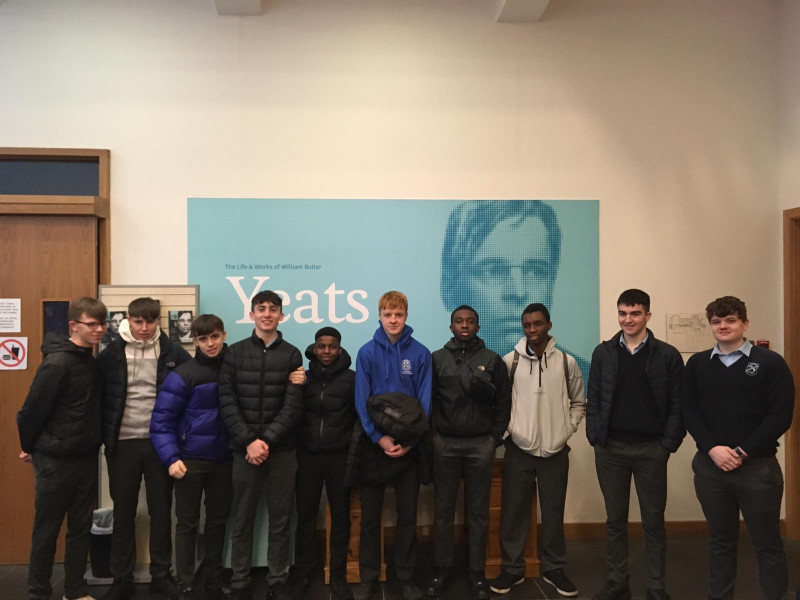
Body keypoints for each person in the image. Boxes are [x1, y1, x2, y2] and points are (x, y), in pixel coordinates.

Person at [682, 296, 794, 600]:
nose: (723, 326)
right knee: (720, 543)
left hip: (757, 469)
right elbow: (689, 410)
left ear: (745, 323)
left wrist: (742, 451)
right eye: (716, 321)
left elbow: (780, 416)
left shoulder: (770, 363)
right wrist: (712, 449)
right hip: (711, 468)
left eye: (730, 320)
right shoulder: (697, 364)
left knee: (767, 543)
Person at [586, 289, 684, 600]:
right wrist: (595, 437)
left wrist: (667, 444)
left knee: (653, 521)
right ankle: (618, 581)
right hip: (611, 449)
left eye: (635, 313)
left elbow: (678, 404)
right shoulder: (603, 353)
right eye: (623, 313)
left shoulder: (667, 355)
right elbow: (594, 399)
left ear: (647, 316)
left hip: (651, 450)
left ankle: (656, 585)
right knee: (615, 520)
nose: (628, 319)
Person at [97, 297, 191, 600]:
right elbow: (98, 398)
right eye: (138, 321)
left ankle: (161, 575)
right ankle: (121, 578)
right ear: (128, 319)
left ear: (158, 321)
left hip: (160, 444)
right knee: (123, 512)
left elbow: (188, 397)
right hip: (122, 443)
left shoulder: (174, 352)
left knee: (161, 512)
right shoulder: (111, 354)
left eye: (150, 321)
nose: (144, 327)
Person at [489, 303, 585, 598]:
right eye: (527, 325)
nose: (532, 330)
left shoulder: (567, 362)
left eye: (538, 324)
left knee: (553, 512)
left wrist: (567, 429)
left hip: (556, 451)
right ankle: (513, 568)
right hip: (519, 449)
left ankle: (554, 568)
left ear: (549, 325)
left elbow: (579, 402)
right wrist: (511, 432)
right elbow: (500, 404)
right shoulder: (509, 362)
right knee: (514, 512)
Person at [17, 296, 108, 600]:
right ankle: (39, 592)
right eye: (91, 324)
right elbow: (30, 411)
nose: (99, 330)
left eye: (102, 324)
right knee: (47, 530)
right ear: (73, 325)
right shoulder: (57, 363)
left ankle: (75, 590)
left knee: (81, 529)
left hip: (85, 458)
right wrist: (29, 446)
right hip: (55, 461)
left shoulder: (90, 362)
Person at [218, 290, 303, 600]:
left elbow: (293, 406)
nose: (267, 314)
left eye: (273, 309)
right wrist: (248, 441)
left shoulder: (292, 354)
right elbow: (227, 400)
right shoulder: (234, 353)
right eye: (261, 308)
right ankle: (240, 581)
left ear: (282, 315)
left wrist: (265, 441)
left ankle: (277, 580)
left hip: (282, 450)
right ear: (251, 314)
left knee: (281, 519)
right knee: (242, 518)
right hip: (244, 451)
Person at [439, 200, 589, 375]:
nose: (518, 292)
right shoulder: (437, 366)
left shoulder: (579, 372)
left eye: (535, 271)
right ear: (449, 287)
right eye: (493, 270)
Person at [424, 305, 510, 600]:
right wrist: (435, 437)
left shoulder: (492, 360)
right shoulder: (437, 358)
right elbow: (428, 401)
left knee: (478, 512)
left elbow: (504, 402)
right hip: (445, 444)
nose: (464, 325)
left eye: (470, 321)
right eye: (459, 321)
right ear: (451, 327)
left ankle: (476, 572)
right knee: (443, 512)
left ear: (478, 327)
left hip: (480, 445)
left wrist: (494, 438)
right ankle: (442, 569)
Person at [353, 291, 432, 600]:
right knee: (370, 517)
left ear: (406, 316)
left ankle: (405, 577)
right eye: (388, 314)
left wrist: (409, 442)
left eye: (398, 314)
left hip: (409, 447)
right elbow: (362, 401)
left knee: (407, 516)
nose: (393, 320)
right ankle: (368, 576)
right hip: (376, 447)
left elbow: (425, 402)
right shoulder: (366, 353)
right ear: (380, 316)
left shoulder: (421, 353)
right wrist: (379, 438)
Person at [149, 314, 231, 600]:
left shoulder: (233, 369)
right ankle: (185, 581)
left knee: (218, 521)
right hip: (190, 461)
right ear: (195, 341)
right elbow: (161, 422)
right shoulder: (182, 375)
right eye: (203, 339)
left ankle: (213, 577)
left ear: (223, 335)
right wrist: (171, 458)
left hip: (225, 459)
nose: (210, 344)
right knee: (187, 523)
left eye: (215, 337)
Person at [287, 327, 356, 600]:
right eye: (321, 346)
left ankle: (338, 577)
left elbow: (358, 418)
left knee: (340, 518)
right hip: (308, 457)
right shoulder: (302, 378)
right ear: (314, 349)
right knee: (305, 518)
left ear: (340, 348)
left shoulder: (351, 379)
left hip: (339, 457)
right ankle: (302, 574)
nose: (327, 351)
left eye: (332, 346)